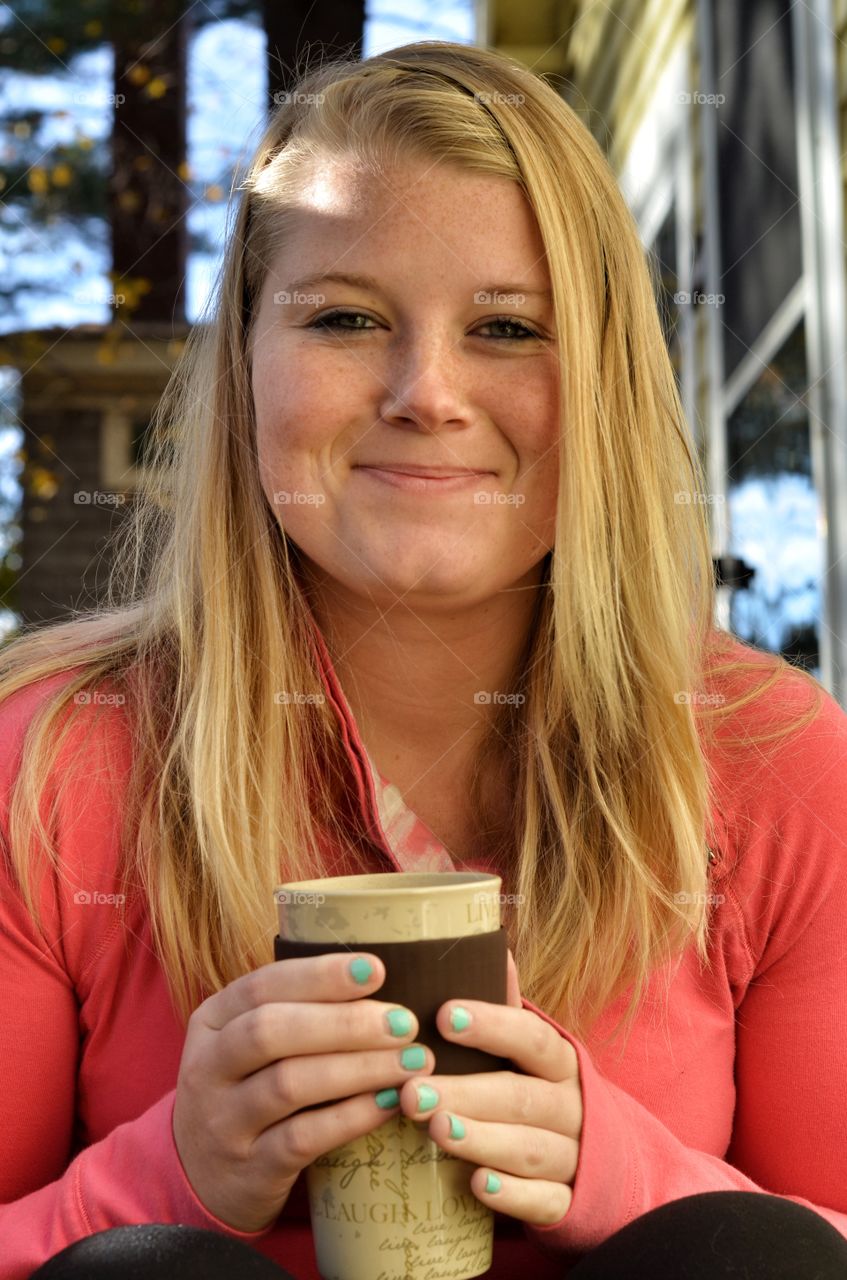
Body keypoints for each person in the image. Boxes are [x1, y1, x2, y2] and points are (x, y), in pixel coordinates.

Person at [1, 38, 846, 1280]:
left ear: (604, 382)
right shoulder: (48, 758)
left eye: (507, 326)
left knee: (745, 1253)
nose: (425, 392)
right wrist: (170, 1170)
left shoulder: (773, 759)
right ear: (242, 363)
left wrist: (617, 1169)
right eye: (346, 317)